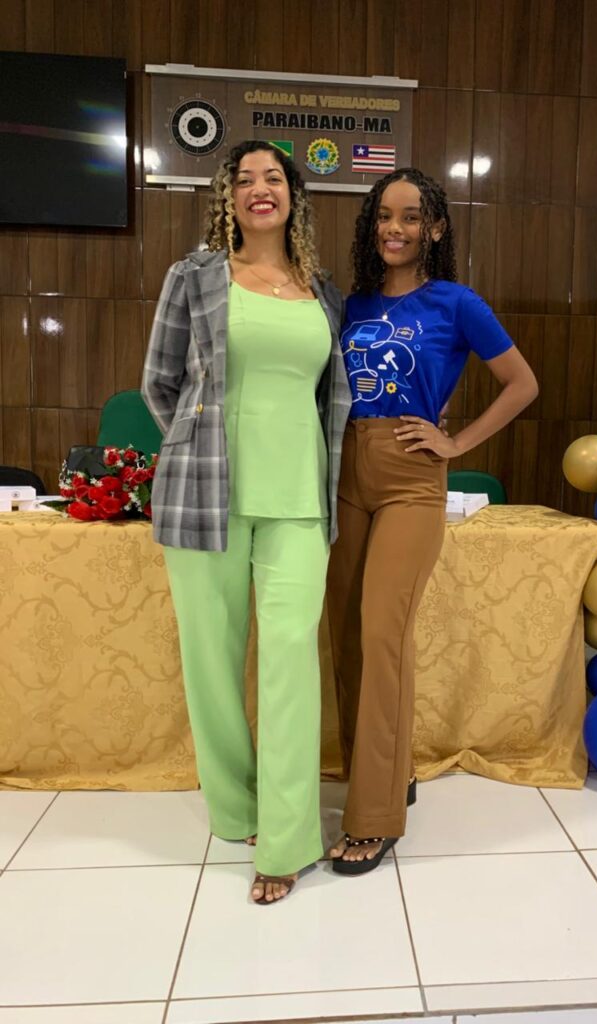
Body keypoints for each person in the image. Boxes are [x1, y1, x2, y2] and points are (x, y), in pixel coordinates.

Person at [142, 140, 351, 904]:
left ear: (294, 195)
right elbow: (159, 384)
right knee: (211, 659)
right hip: (206, 497)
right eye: (244, 179)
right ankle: (236, 810)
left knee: (290, 657)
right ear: (226, 197)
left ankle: (287, 839)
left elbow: (331, 397)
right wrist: (197, 445)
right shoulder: (194, 276)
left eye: (273, 177)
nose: (259, 188)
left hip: (301, 501)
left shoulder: (323, 293)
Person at [327, 167, 539, 873]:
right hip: (344, 472)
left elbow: (522, 383)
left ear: (436, 228)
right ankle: (386, 771)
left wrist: (457, 442)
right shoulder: (350, 305)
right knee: (346, 634)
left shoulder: (456, 302)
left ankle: (375, 816)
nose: (395, 229)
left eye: (411, 217)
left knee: (383, 632)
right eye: (384, 216)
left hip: (411, 478)